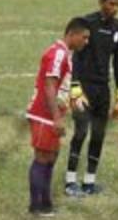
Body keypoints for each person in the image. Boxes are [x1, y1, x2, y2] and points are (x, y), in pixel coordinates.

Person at [65, 0, 118, 197]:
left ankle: (89, 182)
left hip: (103, 89)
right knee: (81, 132)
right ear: (101, 2)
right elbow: (76, 56)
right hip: (84, 87)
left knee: (99, 135)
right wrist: (75, 88)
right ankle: (70, 181)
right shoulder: (87, 23)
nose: (114, 8)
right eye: (111, 3)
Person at [26, 18, 91, 216]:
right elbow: (49, 85)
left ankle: (45, 203)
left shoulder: (65, 54)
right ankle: (37, 206)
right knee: (43, 157)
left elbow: (61, 85)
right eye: (84, 37)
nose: (86, 41)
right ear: (72, 34)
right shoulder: (58, 54)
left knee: (51, 157)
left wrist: (74, 100)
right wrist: (56, 117)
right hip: (44, 114)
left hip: (51, 114)